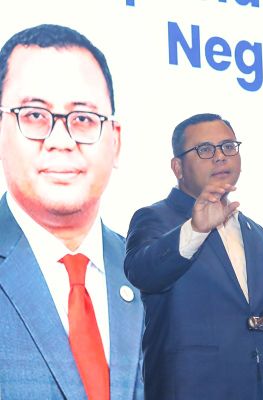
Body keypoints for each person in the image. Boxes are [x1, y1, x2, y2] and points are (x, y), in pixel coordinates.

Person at [0, 24, 143, 399]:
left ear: (115, 141)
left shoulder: (154, 279)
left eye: (82, 119)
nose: (61, 141)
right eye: (34, 115)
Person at [124, 113, 263, 400]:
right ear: (178, 167)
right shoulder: (156, 218)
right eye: (205, 149)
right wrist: (195, 229)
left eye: (228, 146)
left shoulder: (254, 232)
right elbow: (142, 273)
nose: (220, 156)